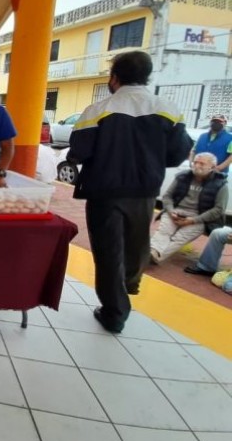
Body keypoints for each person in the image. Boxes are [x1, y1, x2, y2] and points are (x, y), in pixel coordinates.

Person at [68, 51, 193, 333]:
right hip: (145, 192)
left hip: (105, 194)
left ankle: (114, 311)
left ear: (114, 78)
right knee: (137, 244)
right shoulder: (168, 110)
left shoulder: (97, 111)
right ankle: (127, 288)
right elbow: (175, 155)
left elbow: (79, 151)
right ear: (147, 76)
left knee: (109, 250)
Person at [150, 153, 228, 263]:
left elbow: (219, 209)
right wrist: (171, 211)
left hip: (199, 218)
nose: (197, 165)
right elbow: (167, 196)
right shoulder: (183, 176)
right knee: (165, 231)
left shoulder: (220, 184)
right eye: (195, 162)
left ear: (212, 167)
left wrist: (193, 220)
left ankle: (154, 255)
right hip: (176, 212)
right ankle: (152, 252)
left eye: (202, 163)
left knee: (179, 238)